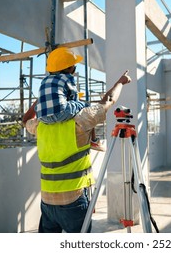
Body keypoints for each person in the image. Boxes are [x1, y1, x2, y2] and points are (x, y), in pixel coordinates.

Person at [22, 70, 132, 233]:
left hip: (47, 200)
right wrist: (120, 82)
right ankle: (94, 141)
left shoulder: (40, 125)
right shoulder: (80, 120)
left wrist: (43, 98)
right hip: (73, 200)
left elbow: (25, 120)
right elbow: (107, 101)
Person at [35, 46, 105, 151]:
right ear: (69, 68)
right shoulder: (67, 78)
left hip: (42, 117)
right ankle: (94, 141)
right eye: (74, 65)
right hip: (61, 112)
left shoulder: (45, 80)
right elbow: (74, 97)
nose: (75, 66)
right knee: (86, 106)